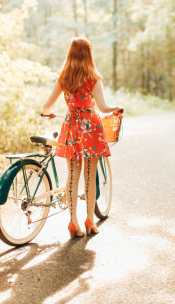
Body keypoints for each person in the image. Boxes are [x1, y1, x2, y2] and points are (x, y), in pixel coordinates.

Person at [42, 37, 123, 240]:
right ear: (88, 54)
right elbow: (103, 107)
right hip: (91, 127)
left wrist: (49, 113)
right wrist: (116, 108)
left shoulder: (63, 78)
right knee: (90, 174)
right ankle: (89, 221)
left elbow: (46, 107)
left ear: (70, 53)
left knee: (72, 175)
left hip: (70, 126)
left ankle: (72, 222)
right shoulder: (93, 77)